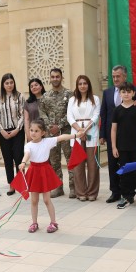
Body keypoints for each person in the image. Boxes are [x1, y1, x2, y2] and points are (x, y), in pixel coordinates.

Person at [17, 119, 84, 233]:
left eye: (36, 131)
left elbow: (62, 137)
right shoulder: (28, 145)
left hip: (44, 171)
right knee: (34, 200)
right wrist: (23, 162)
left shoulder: (47, 142)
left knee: (47, 199)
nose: (33, 133)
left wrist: (76, 135)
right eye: (31, 130)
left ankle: (53, 222)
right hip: (34, 171)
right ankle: (34, 223)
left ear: (43, 133)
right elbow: (27, 154)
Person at [99, 65, 136, 203]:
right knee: (113, 165)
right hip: (112, 135)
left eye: (118, 76)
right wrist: (102, 135)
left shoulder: (135, 90)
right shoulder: (107, 92)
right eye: (113, 76)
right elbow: (104, 114)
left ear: (125, 76)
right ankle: (115, 192)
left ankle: (134, 193)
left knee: (131, 165)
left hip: (130, 136)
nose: (115, 79)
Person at [111, 82, 136, 210]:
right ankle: (126, 196)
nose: (126, 94)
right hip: (122, 148)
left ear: (133, 93)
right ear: (120, 94)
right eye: (123, 92)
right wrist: (114, 147)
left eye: (128, 91)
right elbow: (114, 130)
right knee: (124, 174)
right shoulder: (117, 110)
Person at [39, 68, 75, 198]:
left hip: (66, 131)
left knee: (70, 159)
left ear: (61, 77)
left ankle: (73, 187)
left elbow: (72, 113)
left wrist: (59, 126)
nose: (55, 79)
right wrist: (50, 126)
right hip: (51, 134)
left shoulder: (70, 94)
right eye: (53, 77)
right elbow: (42, 113)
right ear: (50, 78)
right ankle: (58, 187)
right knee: (54, 161)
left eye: (57, 76)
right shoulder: (45, 96)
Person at [67, 75, 100, 201]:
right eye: (80, 84)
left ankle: (92, 192)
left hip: (92, 132)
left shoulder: (95, 99)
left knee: (92, 164)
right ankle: (80, 192)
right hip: (76, 133)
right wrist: (80, 131)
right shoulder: (72, 100)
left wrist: (85, 130)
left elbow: (96, 115)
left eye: (85, 83)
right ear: (77, 85)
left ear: (88, 85)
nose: (82, 86)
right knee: (78, 164)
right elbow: (69, 117)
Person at [0, 73, 25, 196]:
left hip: (17, 131)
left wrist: (17, 129)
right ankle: (11, 185)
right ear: (3, 84)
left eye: (11, 82)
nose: (9, 85)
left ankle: (21, 184)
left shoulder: (19, 96)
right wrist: (1, 130)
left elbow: (23, 114)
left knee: (18, 158)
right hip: (3, 132)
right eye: (7, 83)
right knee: (7, 159)